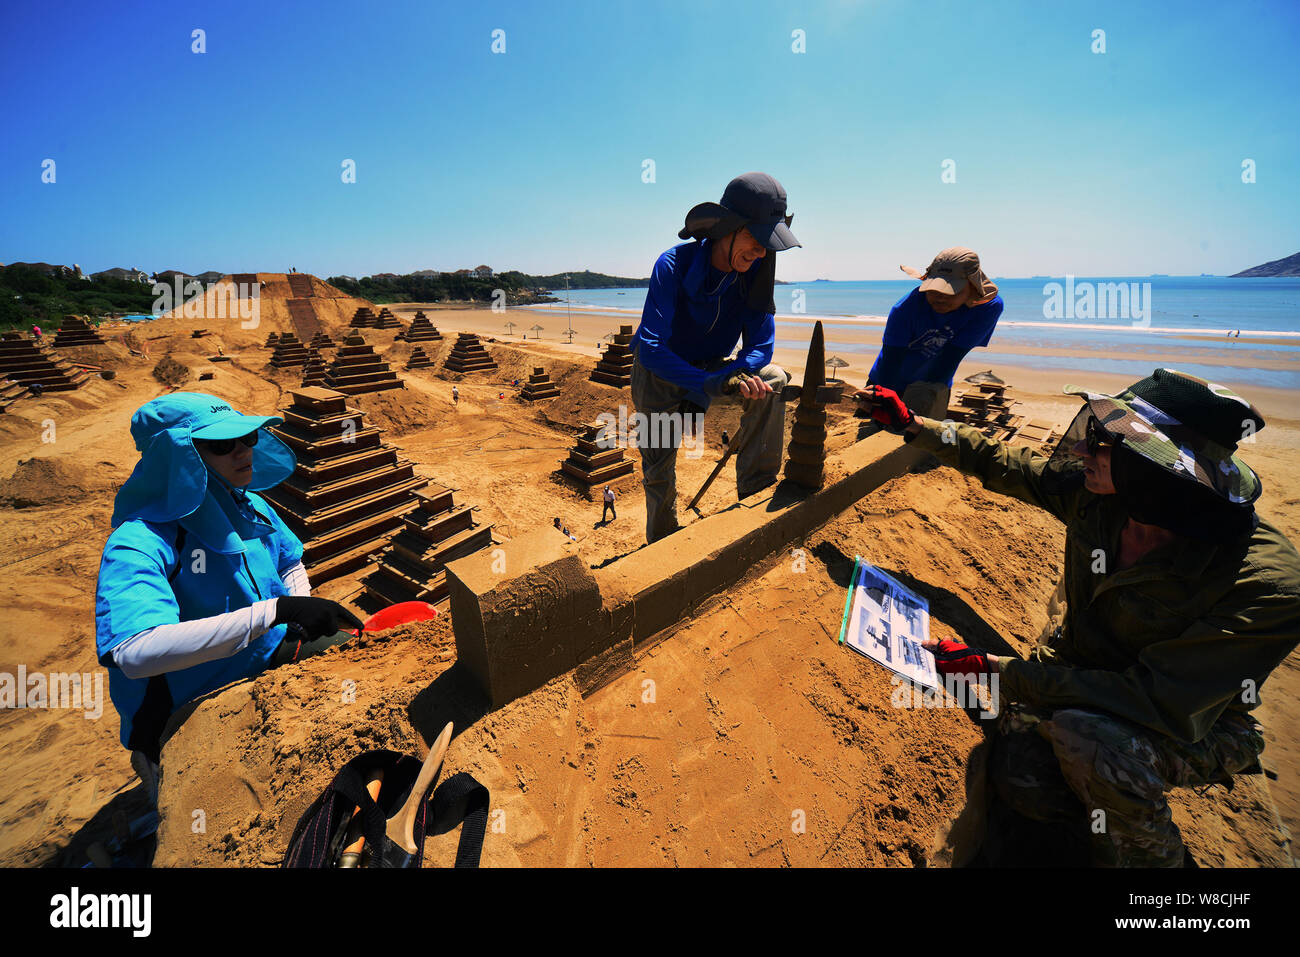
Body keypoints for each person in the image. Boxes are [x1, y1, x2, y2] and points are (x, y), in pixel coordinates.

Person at [857, 370, 1300, 867]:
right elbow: (1012, 465)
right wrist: (916, 425)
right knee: (1022, 776)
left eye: (1105, 444)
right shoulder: (1104, 498)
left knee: (1096, 747)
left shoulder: (1265, 583)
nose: (1086, 451)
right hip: (1086, 682)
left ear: (1154, 470)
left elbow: (1159, 701)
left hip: (1193, 722)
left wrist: (999, 672)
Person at [94, 393, 362, 801]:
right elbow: (135, 651)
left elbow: (289, 559)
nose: (242, 452)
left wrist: (297, 606)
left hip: (268, 654)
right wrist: (272, 612)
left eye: (249, 437)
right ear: (177, 457)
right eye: (221, 445)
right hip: (193, 697)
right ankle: (157, 763)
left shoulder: (248, 503)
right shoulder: (139, 542)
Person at [630, 171, 800, 543]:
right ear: (729, 228)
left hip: (713, 369)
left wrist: (734, 376)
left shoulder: (756, 272)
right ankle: (662, 541)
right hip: (660, 376)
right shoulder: (673, 265)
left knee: (773, 379)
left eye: (767, 245)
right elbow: (652, 348)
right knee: (659, 466)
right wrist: (702, 384)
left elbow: (761, 347)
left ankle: (755, 492)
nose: (759, 252)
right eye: (756, 239)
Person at [864, 247, 1003, 424]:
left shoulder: (987, 308)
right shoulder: (905, 309)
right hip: (888, 378)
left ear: (973, 287)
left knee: (923, 436)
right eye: (933, 290)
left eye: (951, 292)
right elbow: (892, 359)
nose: (940, 298)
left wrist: (926, 395)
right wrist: (884, 398)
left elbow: (952, 356)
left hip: (936, 382)